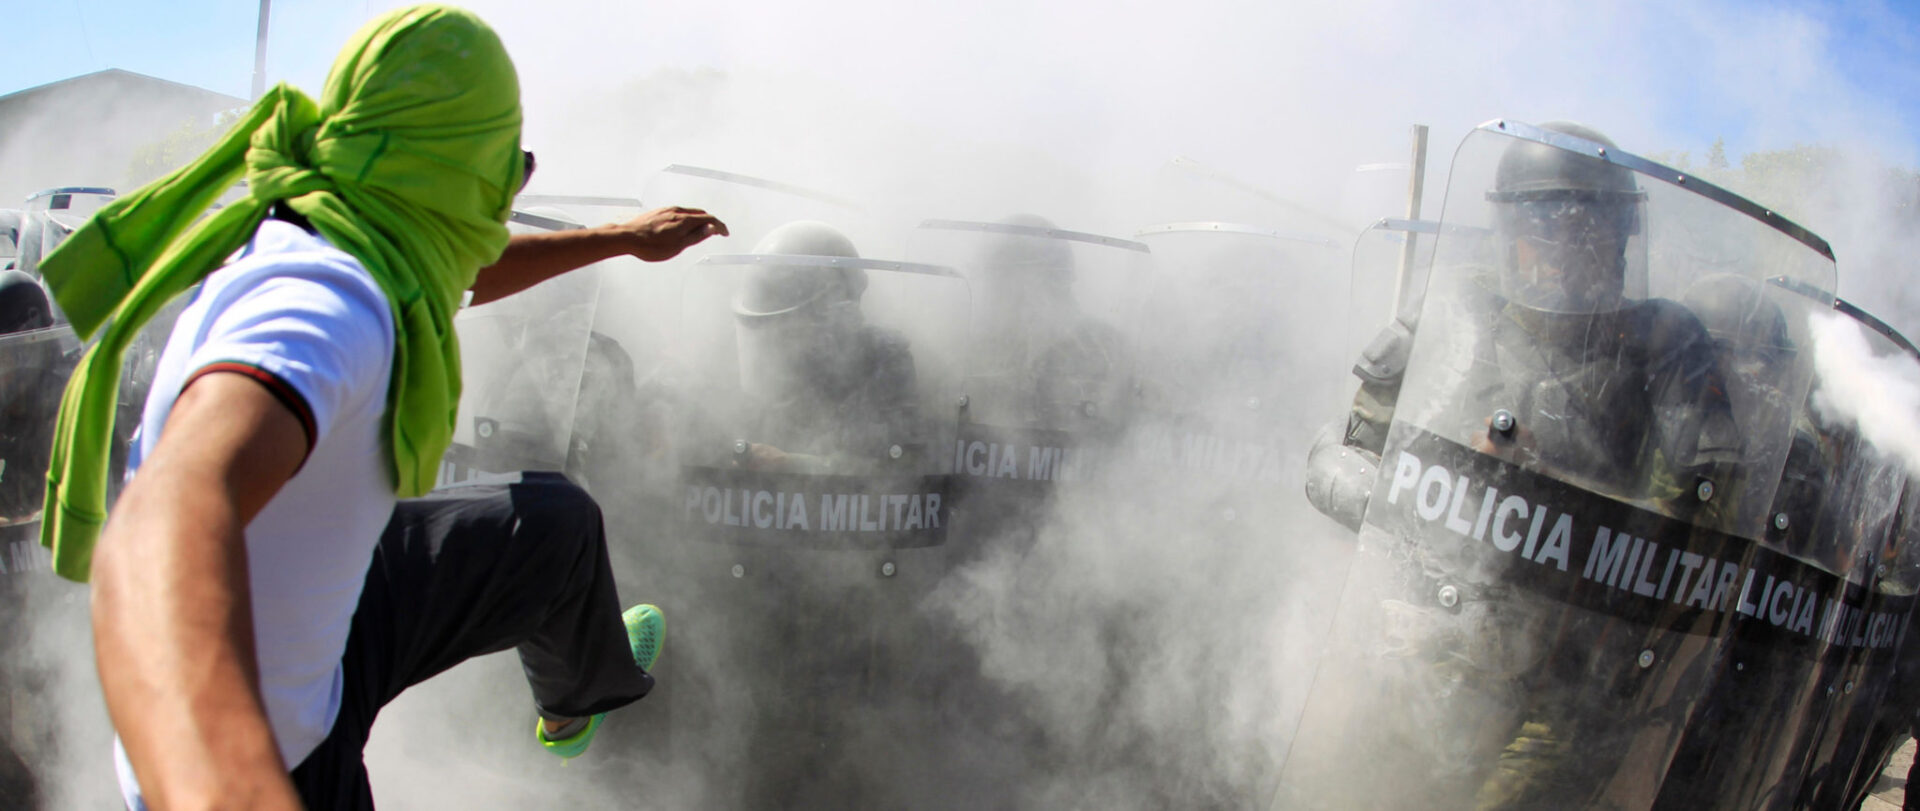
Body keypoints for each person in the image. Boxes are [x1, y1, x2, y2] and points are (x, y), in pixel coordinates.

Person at [32, 7, 726, 809]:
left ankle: (574, 702)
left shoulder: (349, 232)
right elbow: (156, 534)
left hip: (315, 620)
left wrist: (621, 237)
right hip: (259, 744)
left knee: (550, 528)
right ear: (456, 170)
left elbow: (465, 270)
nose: (513, 187)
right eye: (509, 165)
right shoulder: (327, 309)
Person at [731, 220, 922, 474]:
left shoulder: (883, 360)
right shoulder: (774, 371)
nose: (778, 339)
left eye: (790, 324)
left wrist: (793, 464)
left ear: (832, 311)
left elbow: (894, 468)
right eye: (772, 327)